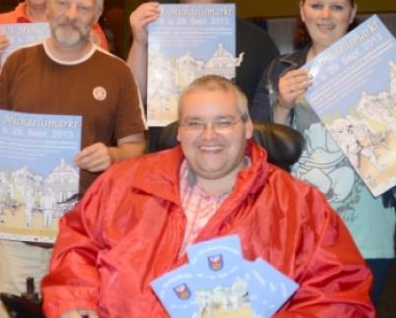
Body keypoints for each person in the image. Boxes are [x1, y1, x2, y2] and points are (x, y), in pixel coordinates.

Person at [42, 75, 374, 318]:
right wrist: (75, 301)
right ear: (180, 132)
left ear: (247, 128)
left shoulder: (301, 205)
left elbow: (340, 297)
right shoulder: (122, 182)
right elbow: (78, 243)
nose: (208, 136)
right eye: (195, 123)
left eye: (223, 122)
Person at [0, 0, 146, 318]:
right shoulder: (17, 63)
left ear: (97, 15)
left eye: (83, 7)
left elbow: (137, 146)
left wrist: (113, 154)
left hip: (87, 238)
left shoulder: (117, 72)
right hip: (18, 235)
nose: (71, 15)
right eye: (63, 3)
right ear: (48, 5)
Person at [250, 0, 395, 306]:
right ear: (302, 10)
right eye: (317, 6)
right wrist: (282, 107)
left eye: (337, 7)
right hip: (298, 226)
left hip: (368, 228)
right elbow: (257, 151)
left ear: (353, 12)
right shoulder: (279, 69)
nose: (325, 16)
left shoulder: (383, 66)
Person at [127, 0, 278, 106]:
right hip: (170, 129)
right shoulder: (157, 34)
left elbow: (274, 107)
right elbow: (132, 101)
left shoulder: (259, 41)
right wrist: (139, 43)